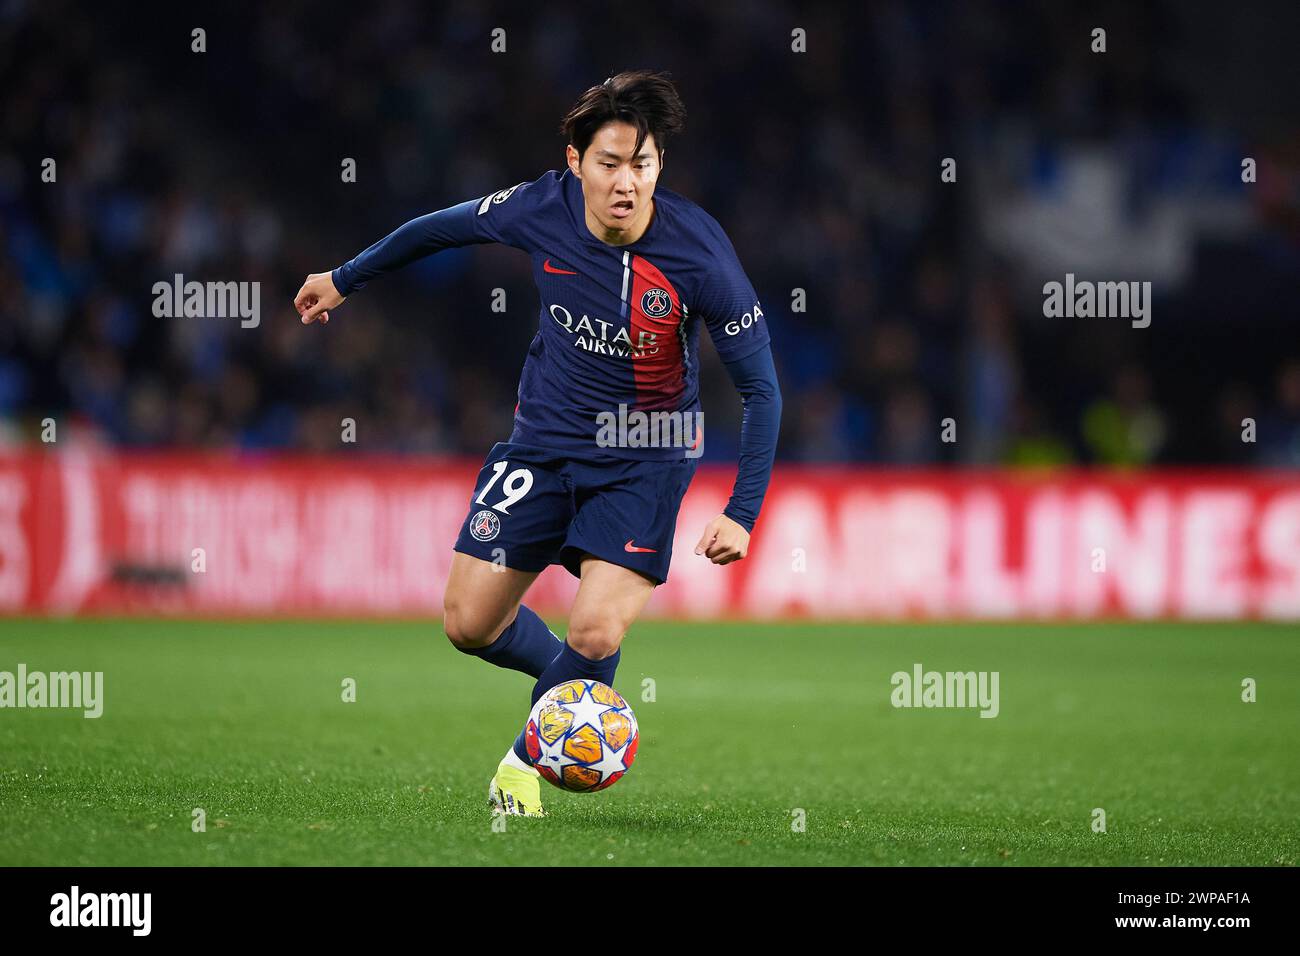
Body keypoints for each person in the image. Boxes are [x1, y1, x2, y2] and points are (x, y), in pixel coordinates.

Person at [294, 70, 781, 816]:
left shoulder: (700, 256)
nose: (626, 182)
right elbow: (439, 228)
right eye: (610, 162)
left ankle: (524, 764)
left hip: (645, 456)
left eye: (642, 164)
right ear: (575, 162)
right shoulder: (539, 208)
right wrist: (344, 277)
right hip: (541, 446)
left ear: (660, 168)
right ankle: (573, 684)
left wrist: (742, 512)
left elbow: (761, 392)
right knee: (468, 624)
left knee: (596, 626)